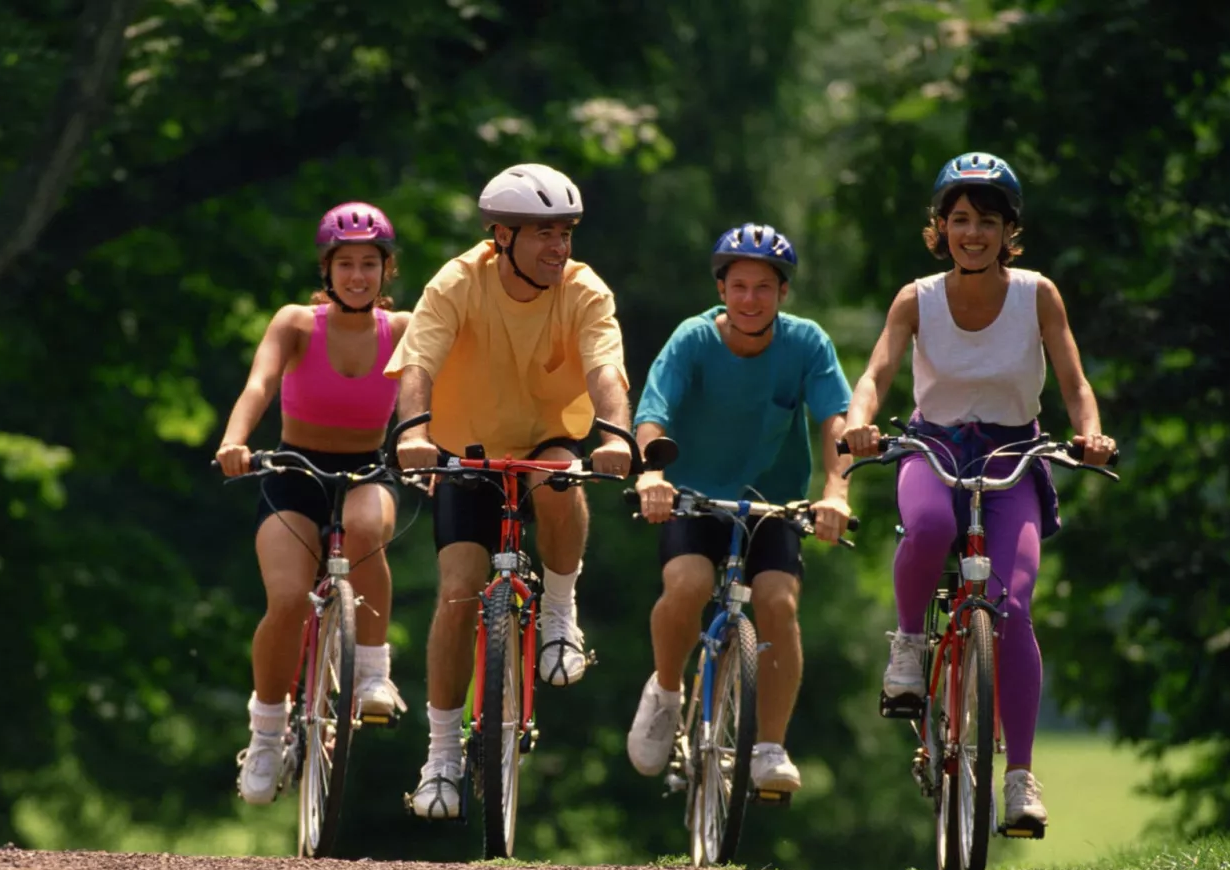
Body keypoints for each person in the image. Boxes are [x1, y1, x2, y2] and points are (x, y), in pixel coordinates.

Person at [842, 152, 1115, 832]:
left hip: (1015, 456)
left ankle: (1019, 780)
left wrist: (1092, 434)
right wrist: (858, 422)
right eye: (959, 220)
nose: (972, 233)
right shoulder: (917, 299)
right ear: (940, 227)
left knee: (1014, 605)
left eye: (987, 222)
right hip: (933, 447)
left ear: (1008, 231)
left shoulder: (1037, 295)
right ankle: (909, 647)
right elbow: (876, 373)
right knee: (930, 529)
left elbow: (1075, 383)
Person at [387, 163, 634, 819]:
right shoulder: (457, 284)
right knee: (457, 593)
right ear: (502, 235)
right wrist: (413, 431)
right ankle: (440, 756)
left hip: (548, 436)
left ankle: (558, 609)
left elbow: (607, 372)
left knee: (559, 478)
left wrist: (617, 437)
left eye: (566, 234)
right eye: (544, 234)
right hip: (466, 445)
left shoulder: (584, 291)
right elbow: (417, 365)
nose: (559, 248)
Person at [626, 223, 854, 794]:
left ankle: (770, 746)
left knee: (778, 602)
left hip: (772, 504)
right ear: (721, 289)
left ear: (782, 294)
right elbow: (654, 412)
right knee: (688, 585)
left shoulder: (807, 343)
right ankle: (666, 690)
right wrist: (652, 472)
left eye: (764, 288)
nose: (751, 299)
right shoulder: (692, 339)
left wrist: (836, 491)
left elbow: (837, 421)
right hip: (692, 497)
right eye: (739, 286)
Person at [215, 202, 412, 805]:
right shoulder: (298, 323)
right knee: (285, 600)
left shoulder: (401, 329)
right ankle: (268, 731)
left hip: (366, 469)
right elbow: (261, 382)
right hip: (292, 470)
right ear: (326, 270)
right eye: (345, 264)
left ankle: (374, 676)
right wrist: (234, 440)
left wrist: (420, 446)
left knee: (363, 529)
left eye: (369, 265)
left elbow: (419, 401)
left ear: (387, 270)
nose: (358, 276)